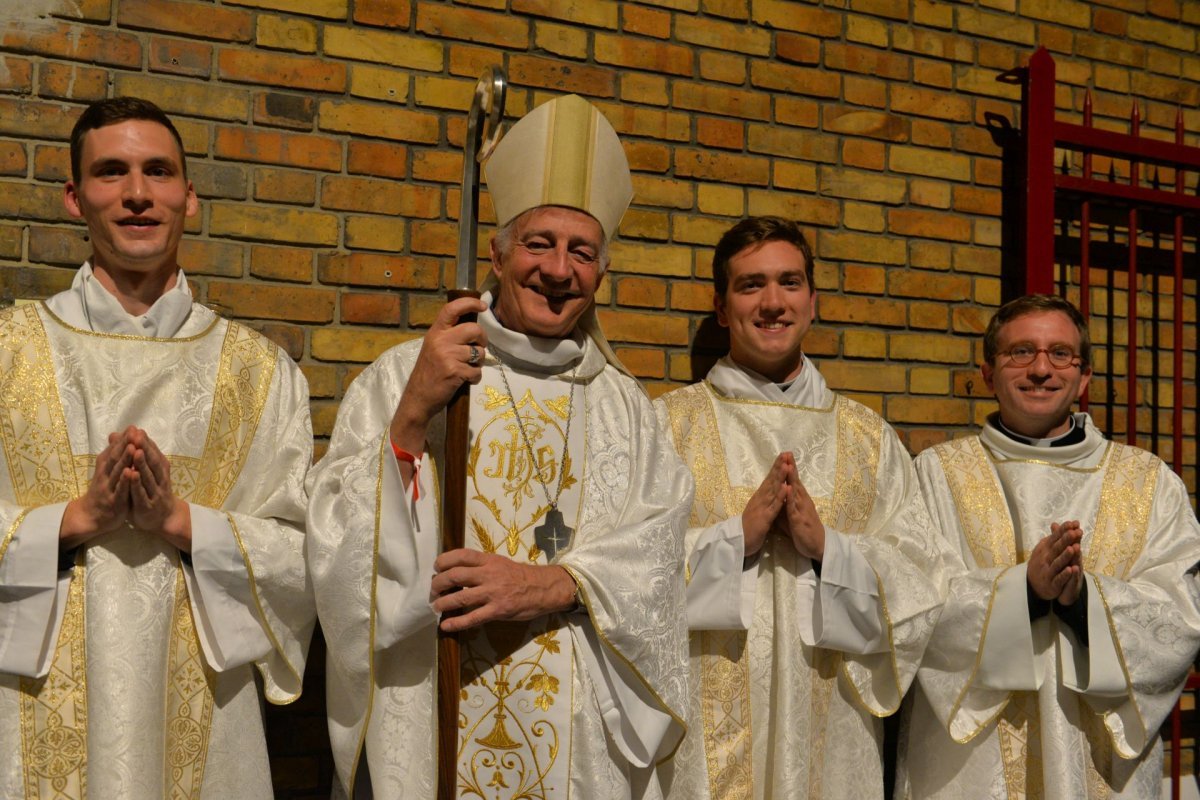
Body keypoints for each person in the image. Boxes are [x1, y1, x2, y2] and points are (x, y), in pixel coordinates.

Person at [307, 93, 693, 799]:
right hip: (432, 715)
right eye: (539, 243)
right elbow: (334, 552)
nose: (558, 269)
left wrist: (558, 584)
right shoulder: (407, 373)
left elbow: (665, 555)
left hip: (580, 742)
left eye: (582, 252)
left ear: (602, 273)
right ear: (498, 252)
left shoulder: (627, 409)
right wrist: (411, 421)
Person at [0, 97, 315, 799]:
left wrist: (181, 522)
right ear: (74, 197)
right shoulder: (7, 354)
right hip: (26, 702)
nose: (138, 194)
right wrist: (72, 520)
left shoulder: (259, 375)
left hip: (208, 706)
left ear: (189, 198)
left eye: (158, 172)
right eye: (111, 173)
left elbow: (303, 556)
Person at [654, 216, 946, 799]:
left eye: (789, 283)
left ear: (813, 303)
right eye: (750, 285)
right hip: (697, 742)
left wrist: (828, 550)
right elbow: (625, 575)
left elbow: (924, 581)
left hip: (834, 732)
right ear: (720, 307)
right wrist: (735, 539)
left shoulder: (870, 440)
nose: (772, 303)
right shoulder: (667, 427)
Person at [898, 294, 1200, 799]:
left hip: (1100, 769)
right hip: (970, 772)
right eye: (1021, 353)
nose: (1041, 369)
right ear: (989, 373)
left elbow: (1181, 618)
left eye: (1060, 354)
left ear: (1083, 378)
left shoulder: (1148, 482)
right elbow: (910, 607)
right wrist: (1026, 592)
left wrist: (1083, 599)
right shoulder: (936, 474)